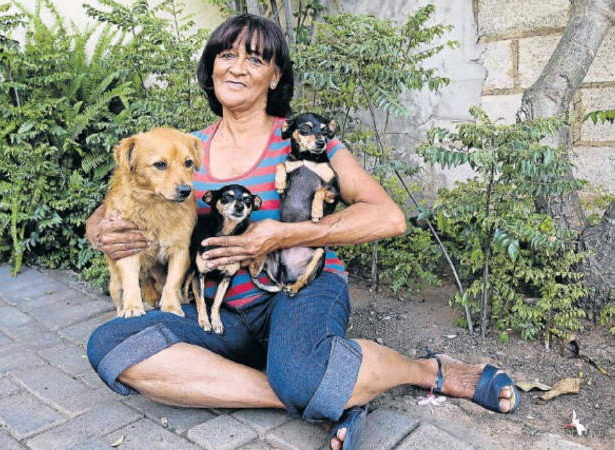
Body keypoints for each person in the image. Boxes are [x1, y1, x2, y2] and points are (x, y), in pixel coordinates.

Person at [85, 14, 519, 450]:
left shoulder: (303, 139)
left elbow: (388, 217)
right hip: (220, 310)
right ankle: (323, 391)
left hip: (300, 289)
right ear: (211, 67)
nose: (237, 67)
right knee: (111, 345)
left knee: (299, 370)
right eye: (226, 55)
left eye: (255, 60)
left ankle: (427, 370)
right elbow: (110, 210)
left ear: (275, 77)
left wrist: (282, 235)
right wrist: (99, 230)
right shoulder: (184, 147)